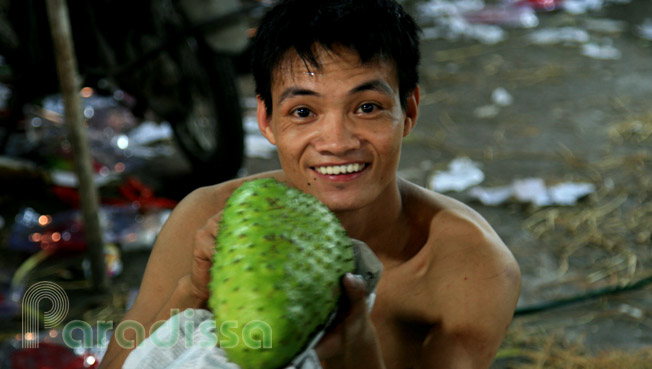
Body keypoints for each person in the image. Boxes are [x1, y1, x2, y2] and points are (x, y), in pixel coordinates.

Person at [99, 0, 521, 368]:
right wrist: (191, 292)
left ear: (408, 111)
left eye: (367, 107)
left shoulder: (470, 267)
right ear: (267, 121)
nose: (337, 143)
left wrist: (349, 348)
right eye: (303, 112)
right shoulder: (206, 218)